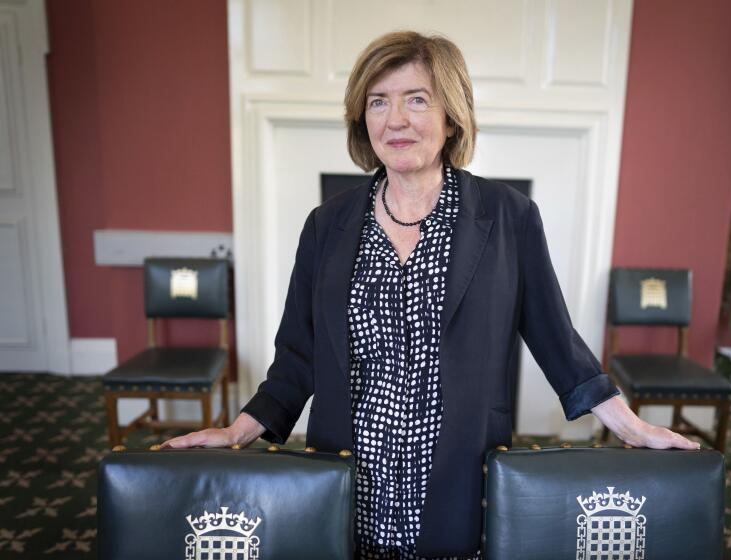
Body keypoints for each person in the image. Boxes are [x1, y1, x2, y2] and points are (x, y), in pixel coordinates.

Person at [163, 31, 698, 559]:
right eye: (379, 102)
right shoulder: (327, 224)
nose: (395, 119)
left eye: (416, 99)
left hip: (456, 478)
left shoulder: (508, 217)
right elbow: (298, 357)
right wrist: (238, 431)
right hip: (349, 478)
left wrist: (631, 427)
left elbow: (557, 340)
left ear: (451, 115)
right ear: (362, 118)